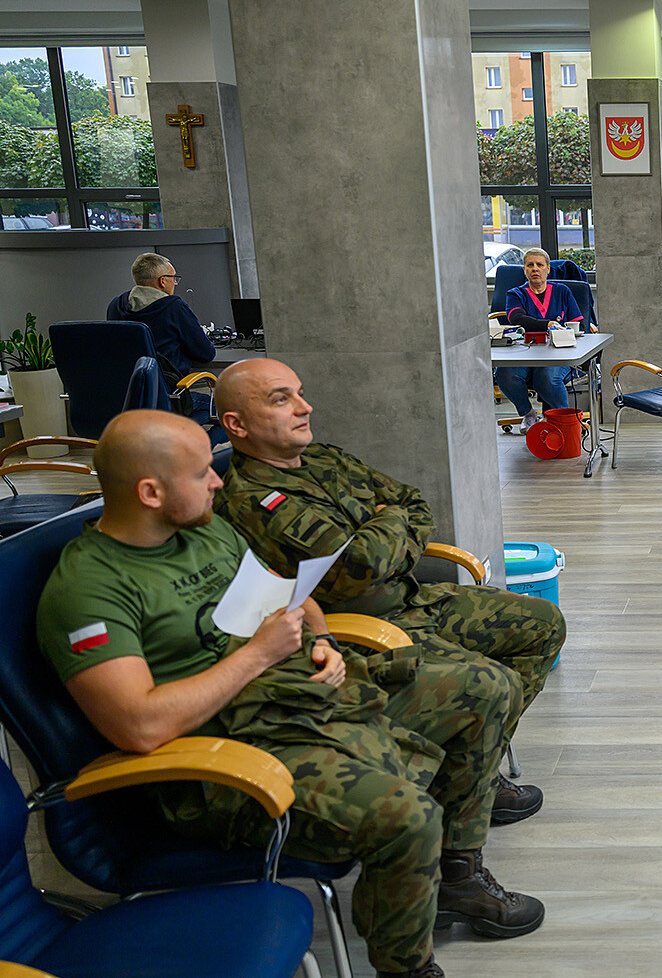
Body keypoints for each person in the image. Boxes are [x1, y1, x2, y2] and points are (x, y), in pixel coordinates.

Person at [35, 410, 544, 978]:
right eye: (202, 473)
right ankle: (406, 967)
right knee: (410, 817)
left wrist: (323, 642)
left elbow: (291, 598)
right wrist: (258, 655)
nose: (219, 481)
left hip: (296, 700)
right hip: (220, 762)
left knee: (487, 688)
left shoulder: (205, 532)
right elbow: (140, 726)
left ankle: (456, 878)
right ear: (150, 492)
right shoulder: (89, 589)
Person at [211, 358, 564, 823]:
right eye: (281, 399)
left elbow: (413, 503)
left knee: (543, 623)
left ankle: (469, 773)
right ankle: (466, 788)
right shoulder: (253, 498)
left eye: (300, 393)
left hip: (411, 597)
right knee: (490, 681)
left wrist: (386, 534)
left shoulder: (323, 458)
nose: (304, 407)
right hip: (363, 630)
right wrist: (390, 525)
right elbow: (360, 567)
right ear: (237, 424)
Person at [496, 248, 584, 433]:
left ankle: (566, 422)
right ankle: (529, 414)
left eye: (540, 265)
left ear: (548, 269)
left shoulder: (562, 291)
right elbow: (517, 318)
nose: (535, 269)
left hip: (559, 355)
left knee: (547, 378)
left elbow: (577, 324)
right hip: (526, 354)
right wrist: (548, 324)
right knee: (504, 373)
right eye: (530, 265)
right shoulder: (516, 294)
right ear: (524, 270)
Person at [106, 252, 216, 379]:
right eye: (173, 278)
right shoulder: (174, 307)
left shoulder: (115, 306)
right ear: (162, 281)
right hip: (167, 388)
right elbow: (206, 353)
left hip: (126, 387)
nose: (175, 283)